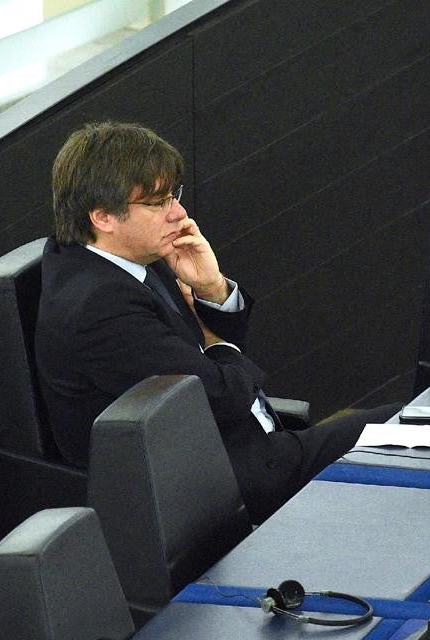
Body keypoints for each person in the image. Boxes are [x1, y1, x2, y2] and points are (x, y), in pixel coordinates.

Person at [37, 121, 400, 523]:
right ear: (103, 216)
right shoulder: (99, 308)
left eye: (174, 195)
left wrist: (212, 289)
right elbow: (221, 398)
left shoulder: (120, 253)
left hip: (248, 441)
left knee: (415, 427)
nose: (179, 214)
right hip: (229, 483)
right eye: (158, 204)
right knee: (410, 438)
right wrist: (216, 343)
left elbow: (216, 369)